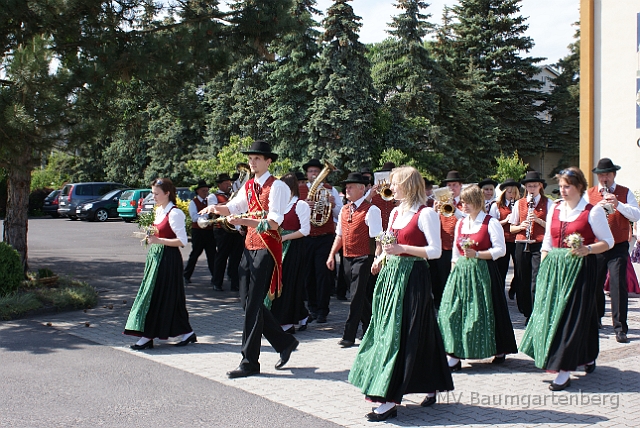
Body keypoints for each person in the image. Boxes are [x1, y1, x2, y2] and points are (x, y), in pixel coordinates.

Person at [349, 166, 453, 422]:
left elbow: (436, 251)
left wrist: (402, 248)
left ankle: (388, 398)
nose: (391, 188)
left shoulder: (426, 213)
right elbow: (389, 243)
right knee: (397, 331)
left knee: (406, 332)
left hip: (413, 277)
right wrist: (381, 257)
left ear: (407, 185)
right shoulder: (395, 212)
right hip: (391, 277)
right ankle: (428, 383)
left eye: (395, 184)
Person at [202, 140, 299, 378]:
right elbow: (234, 206)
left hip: (267, 246)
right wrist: (215, 208)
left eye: (257, 158)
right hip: (249, 246)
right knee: (247, 304)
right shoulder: (249, 185)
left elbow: (274, 222)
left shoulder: (277, 187)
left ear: (268, 161)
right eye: (250, 158)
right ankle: (284, 342)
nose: (252, 162)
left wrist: (243, 221)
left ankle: (249, 362)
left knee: (253, 306)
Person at [520, 167, 613, 391]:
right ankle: (588, 354)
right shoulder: (556, 208)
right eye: (560, 186)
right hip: (555, 268)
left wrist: (587, 248)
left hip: (580, 267)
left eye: (567, 186)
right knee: (579, 315)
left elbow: (608, 242)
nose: (562, 190)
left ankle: (563, 369)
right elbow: (548, 243)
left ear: (579, 187)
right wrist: (543, 271)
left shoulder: (593, 211)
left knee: (572, 316)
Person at [438, 185, 517, 371]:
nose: (463, 205)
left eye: (466, 202)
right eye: (462, 202)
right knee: (453, 311)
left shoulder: (491, 222)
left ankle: (497, 348)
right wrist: (453, 274)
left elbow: (501, 250)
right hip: (461, 273)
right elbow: (457, 253)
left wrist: (478, 254)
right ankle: (454, 353)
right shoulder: (461, 223)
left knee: (487, 310)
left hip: (483, 272)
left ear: (476, 202)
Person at [125, 178, 196, 349]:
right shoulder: (159, 211)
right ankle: (186, 332)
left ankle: (147, 335)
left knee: (156, 296)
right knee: (168, 297)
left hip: (168, 259)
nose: (153, 196)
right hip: (156, 257)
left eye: (156, 193)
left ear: (167, 193)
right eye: (153, 193)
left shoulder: (175, 213)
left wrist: (158, 240)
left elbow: (182, 241)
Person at [587, 158, 640, 343]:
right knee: (594, 284)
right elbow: (583, 217)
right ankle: (595, 320)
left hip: (617, 245)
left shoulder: (624, 192)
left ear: (613, 175)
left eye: (607, 174)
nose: (604, 178)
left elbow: (636, 214)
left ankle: (620, 328)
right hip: (598, 244)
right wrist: (596, 208)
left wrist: (618, 204)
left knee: (618, 286)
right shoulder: (590, 193)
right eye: (601, 175)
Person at [326, 172, 382, 348]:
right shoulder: (344, 209)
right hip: (347, 258)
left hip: (364, 257)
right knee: (362, 297)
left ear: (362, 188)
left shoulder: (372, 210)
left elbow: (378, 238)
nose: (347, 189)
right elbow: (340, 235)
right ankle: (370, 329)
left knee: (356, 296)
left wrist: (377, 259)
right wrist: (331, 255)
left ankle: (349, 335)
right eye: (347, 186)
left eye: (351, 186)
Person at [299, 158, 343, 323]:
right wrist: (304, 205)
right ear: (307, 174)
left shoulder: (330, 190)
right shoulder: (300, 190)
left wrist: (333, 205)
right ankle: (312, 307)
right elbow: (292, 213)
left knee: (323, 274)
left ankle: (323, 310)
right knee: (308, 274)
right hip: (307, 238)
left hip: (325, 237)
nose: (314, 174)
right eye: (311, 171)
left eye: (317, 171)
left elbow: (341, 214)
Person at [270, 173, 311, 333]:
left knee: (289, 283)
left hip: (295, 248)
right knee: (283, 282)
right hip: (280, 247)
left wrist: (285, 236)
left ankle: (287, 322)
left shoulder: (300, 205)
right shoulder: (280, 205)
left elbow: (305, 230)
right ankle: (302, 315)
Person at [509, 171, 552, 324]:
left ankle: (534, 313)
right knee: (522, 279)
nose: (532, 189)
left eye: (535, 186)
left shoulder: (549, 204)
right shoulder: (520, 203)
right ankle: (526, 310)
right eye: (529, 186)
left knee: (536, 279)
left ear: (540, 186)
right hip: (522, 243)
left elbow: (553, 228)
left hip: (539, 244)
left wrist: (538, 221)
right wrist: (521, 226)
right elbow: (512, 228)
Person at [430, 170, 466, 309]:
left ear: (460, 186)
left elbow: (466, 220)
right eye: (449, 185)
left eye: (455, 185)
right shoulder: (439, 203)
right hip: (443, 247)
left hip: (460, 248)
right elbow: (432, 224)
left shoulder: (465, 203)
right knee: (442, 278)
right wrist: (434, 211)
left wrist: (453, 208)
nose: (452, 188)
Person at [211, 173, 245, 292]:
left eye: (229, 183)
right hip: (222, 230)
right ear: (219, 185)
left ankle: (235, 283)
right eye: (225, 183)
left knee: (236, 257)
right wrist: (229, 203)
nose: (228, 185)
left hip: (234, 229)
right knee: (221, 256)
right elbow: (213, 208)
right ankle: (217, 282)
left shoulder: (234, 195)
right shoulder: (213, 196)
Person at [489, 179, 521, 299]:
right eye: (509, 192)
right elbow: (492, 223)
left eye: (513, 192)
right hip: (503, 241)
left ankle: (514, 288)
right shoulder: (496, 205)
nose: (511, 195)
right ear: (504, 192)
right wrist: (506, 221)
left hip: (516, 240)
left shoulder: (519, 204)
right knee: (502, 269)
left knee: (519, 269)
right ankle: (500, 295)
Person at [183, 179, 216, 286]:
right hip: (198, 231)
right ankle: (186, 275)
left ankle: (215, 277)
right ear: (198, 191)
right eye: (203, 190)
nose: (205, 192)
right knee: (195, 254)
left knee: (212, 255)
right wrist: (206, 216)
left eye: (206, 190)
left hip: (209, 232)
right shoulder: (194, 202)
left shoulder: (209, 202)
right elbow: (194, 217)